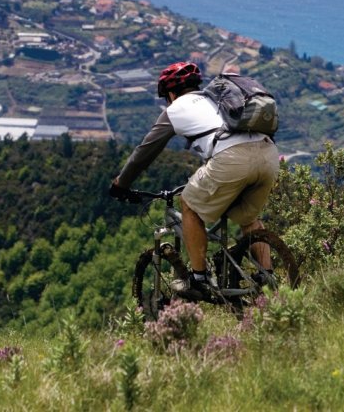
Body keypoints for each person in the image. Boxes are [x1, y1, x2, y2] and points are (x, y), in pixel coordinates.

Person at [109, 62, 279, 300]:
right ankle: (267, 275)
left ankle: (199, 278)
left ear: (170, 93)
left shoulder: (175, 109)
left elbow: (144, 153)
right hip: (268, 155)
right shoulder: (217, 99)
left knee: (189, 204)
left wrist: (121, 184)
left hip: (231, 160)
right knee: (248, 218)